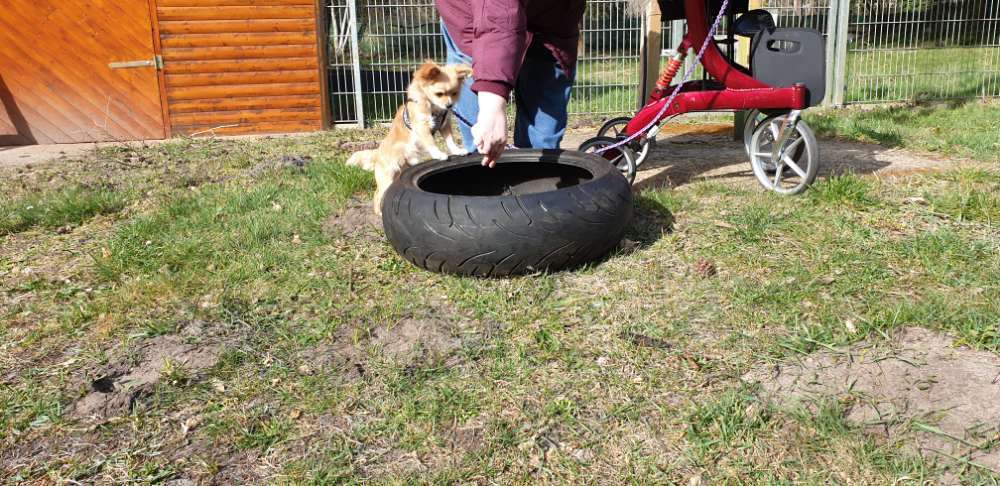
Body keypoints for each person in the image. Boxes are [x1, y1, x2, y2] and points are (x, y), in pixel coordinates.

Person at [436, 0, 587, 168]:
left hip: (552, 23)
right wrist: (491, 104)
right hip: (472, 21)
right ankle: (483, 184)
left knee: (542, 146)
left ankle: (537, 181)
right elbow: (498, 13)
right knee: (483, 141)